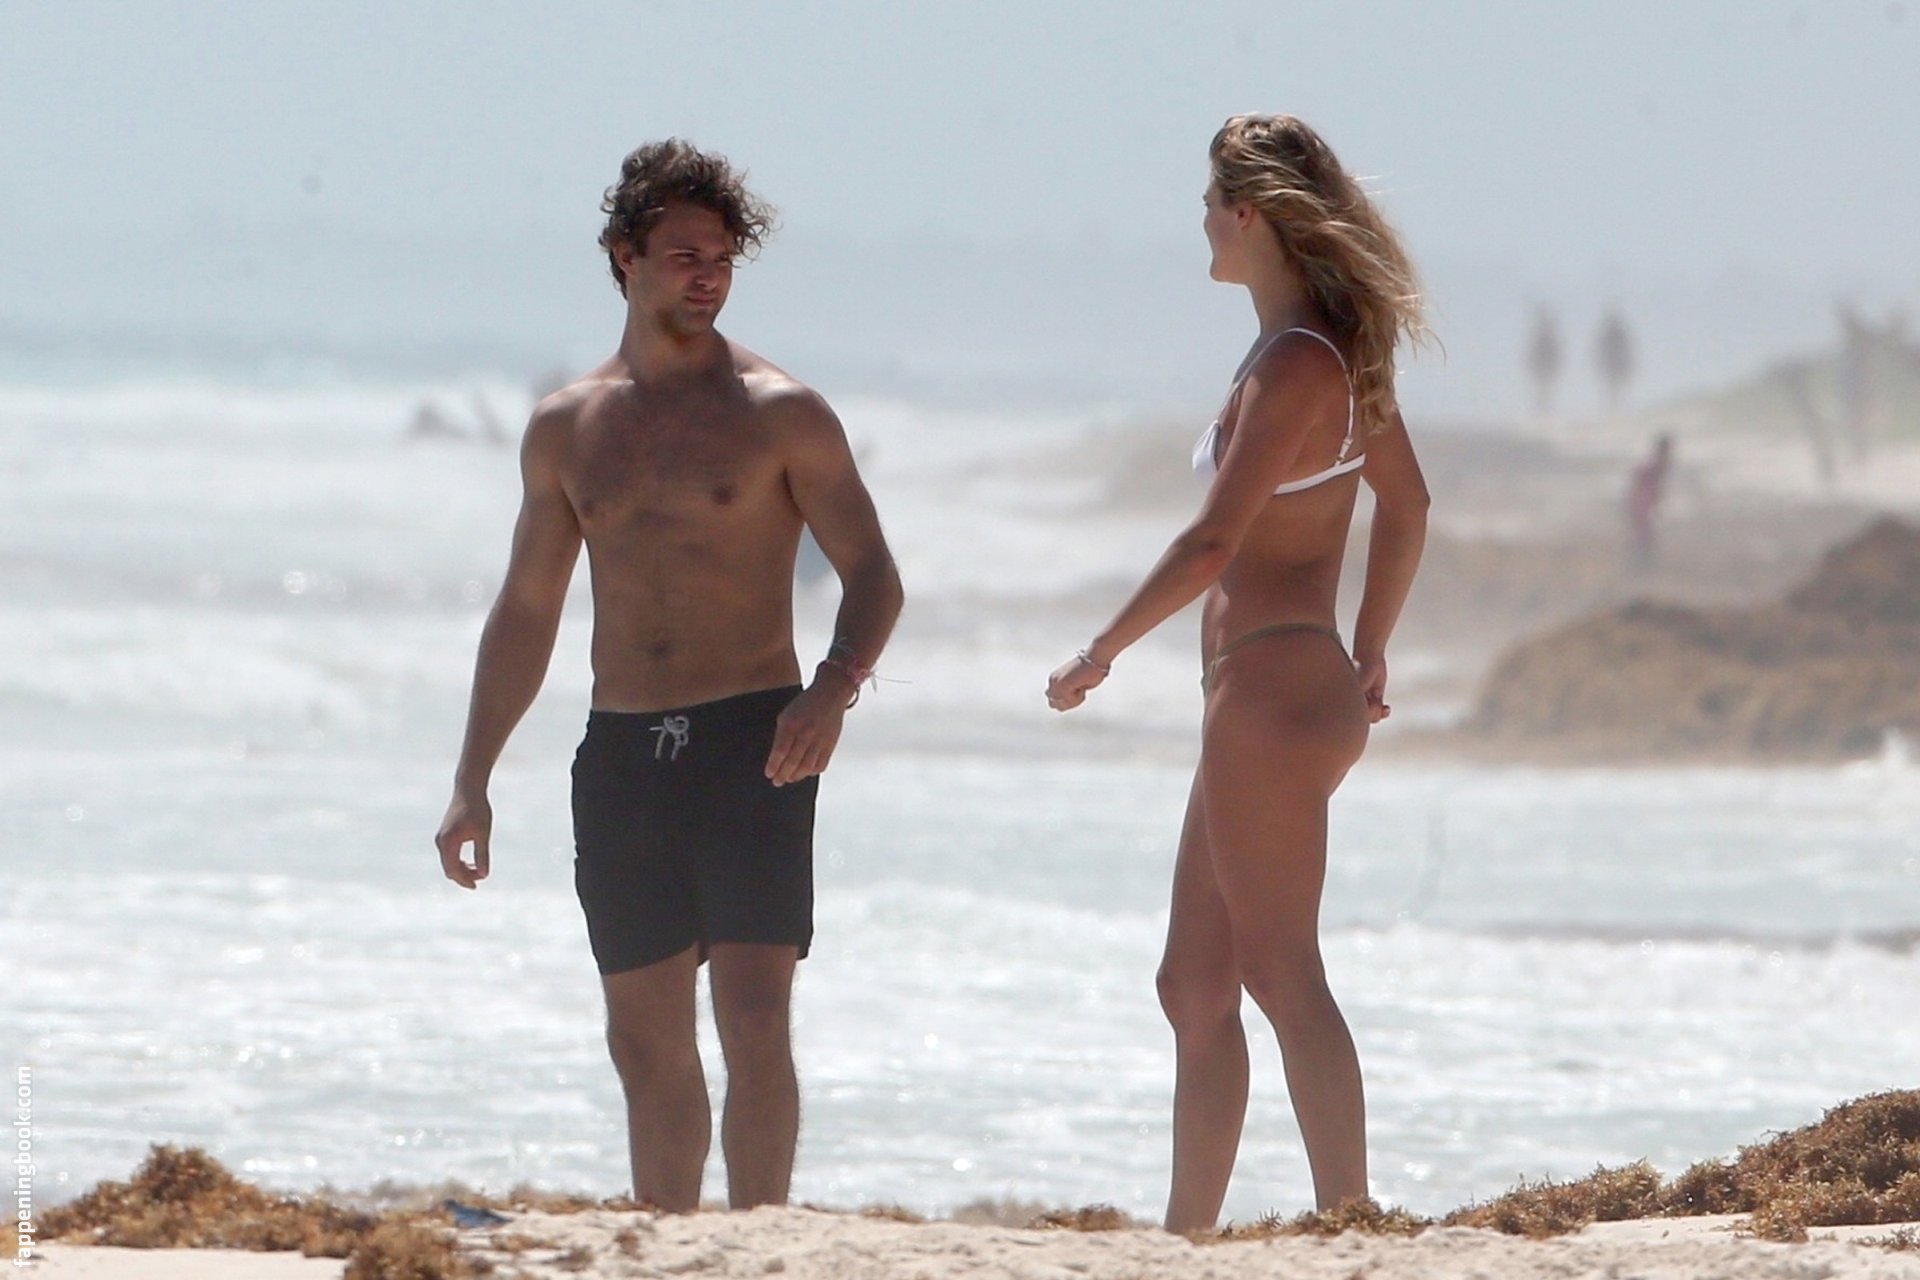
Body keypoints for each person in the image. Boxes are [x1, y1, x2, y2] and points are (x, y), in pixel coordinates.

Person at [434, 140, 903, 1213]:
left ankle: (757, 1242)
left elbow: (875, 572)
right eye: (685, 255)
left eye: (723, 259)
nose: (707, 276)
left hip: (755, 743)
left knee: (754, 1019)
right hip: (623, 756)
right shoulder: (567, 427)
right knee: (644, 1041)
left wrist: (832, 688)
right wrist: (472, 778)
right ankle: (669, 1242)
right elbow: (527, 609)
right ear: (624, 256)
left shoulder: (781, 411)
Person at [1046, 114, 1429, 1231]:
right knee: (1195, 983)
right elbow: (1407, 503)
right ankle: (1188, 1236)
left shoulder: (1301, 362)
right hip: (1279, 688)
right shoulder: (1323, 353)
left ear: (1249, 213)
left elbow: (1214, 540)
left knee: (1281, 974)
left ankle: (1351, 1222)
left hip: (1270, 695)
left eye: (1212, 203)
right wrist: (1368, 645)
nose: (1203, 222)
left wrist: (1101, 650)